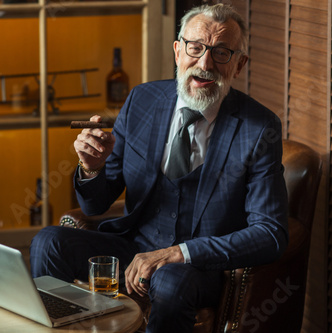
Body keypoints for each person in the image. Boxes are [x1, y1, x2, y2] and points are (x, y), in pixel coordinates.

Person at [30, 3, 288, 332]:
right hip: (132, 246)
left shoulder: (259, 128)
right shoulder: (141, 100)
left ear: (239, 65)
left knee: (169, 279)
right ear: (178, 51)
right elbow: (94, 204)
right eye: (195, 48)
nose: (205, 63)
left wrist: (180, 253)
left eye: (222, 53)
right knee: (47, 242)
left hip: (196, 267)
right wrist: (91, 168)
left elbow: (271, 234)